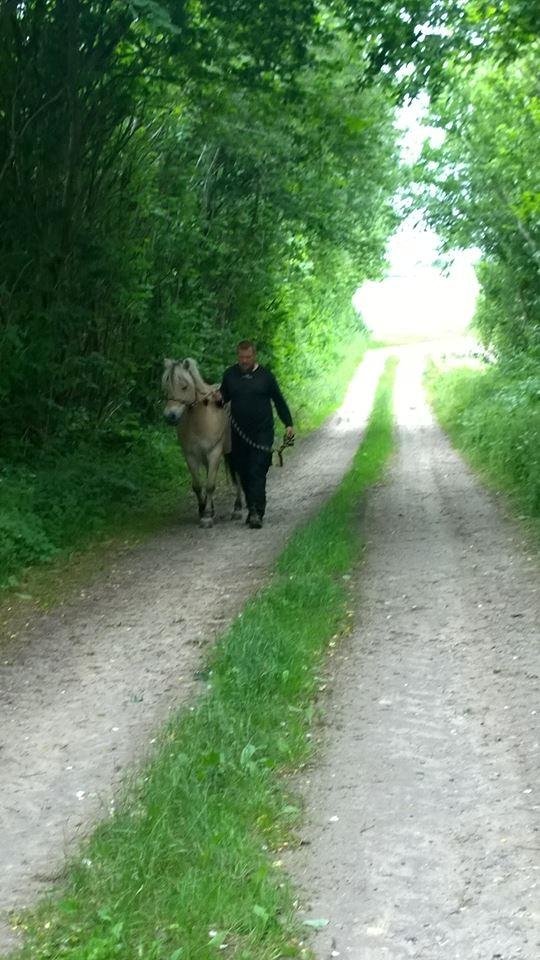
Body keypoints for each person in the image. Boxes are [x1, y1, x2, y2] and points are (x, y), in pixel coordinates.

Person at [217, 340, 294, 528]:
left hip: (262, 432)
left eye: (248, 357)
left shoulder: (266, 377)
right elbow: (223, 398)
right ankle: (253, 507)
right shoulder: (230, 375)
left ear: (254, 356)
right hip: (238, 433)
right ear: (238, 357)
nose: (244, 361)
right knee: (243, 471)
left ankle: (256, 511)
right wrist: (218, 398)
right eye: (241, 357)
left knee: (257, 470)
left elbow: (279, 400)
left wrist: (288, 424)